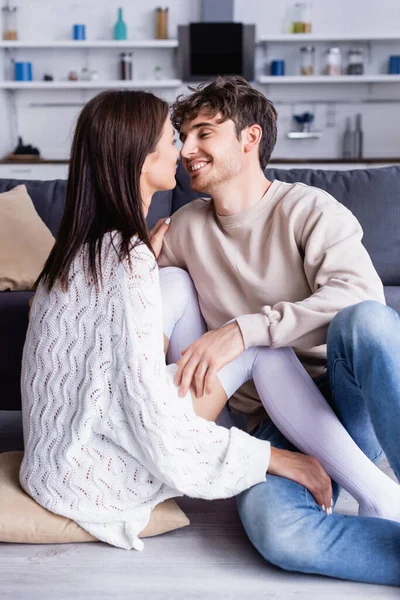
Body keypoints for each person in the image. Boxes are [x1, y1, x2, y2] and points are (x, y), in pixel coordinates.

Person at [158, 76, 400, 585]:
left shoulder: (309, 209)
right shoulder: (184, 227)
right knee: (281, 533)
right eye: (183, 136)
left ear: (249, 139)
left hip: (341, 398)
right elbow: (131, 300)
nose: (187, 149)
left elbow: (359, 298)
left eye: (204, 133)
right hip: (265, 425)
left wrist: (248, 330)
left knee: (368, 321)